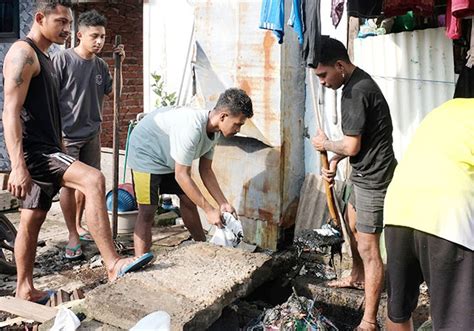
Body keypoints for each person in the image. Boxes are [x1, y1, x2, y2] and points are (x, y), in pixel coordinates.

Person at [2, 0, 152, 304]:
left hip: (47, 147)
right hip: (37, 152)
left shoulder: (43, 56)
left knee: (31, 221)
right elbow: (10, 111)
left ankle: (24, 288)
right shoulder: (23, 53)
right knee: (94, 180)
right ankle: (113, 264)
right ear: (40, 18)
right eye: (61, 22)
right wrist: (18, 165)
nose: (67, 29)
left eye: (70, 24)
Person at [311, 36, 397, 330]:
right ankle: (357, 276)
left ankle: (370, 320)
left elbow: (352, 145)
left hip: (374, 178)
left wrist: (326, 145)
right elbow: (356, 144)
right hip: (361, 173)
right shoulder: (353, 85)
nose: (322, 82)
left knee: (370, 247)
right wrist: (334, 161)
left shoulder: (355, 93)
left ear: (339, 65)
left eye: (323, 75)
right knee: (351, 225)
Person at [127, 88, 253, 256]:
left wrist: (222, 203)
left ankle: (202, 246)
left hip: (169, 156)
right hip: (146, 153)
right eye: (238, 124)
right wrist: (209, 210)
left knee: (188, 200)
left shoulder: (214, 131)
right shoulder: (192, 127)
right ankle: (140, 261)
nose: (238, 129)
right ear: (223, 116)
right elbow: (181, 175)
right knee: (148, 211)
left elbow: (206, 170)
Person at [384, 98, 474, 331]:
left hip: (398, 206)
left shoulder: (446, 109)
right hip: (446, 213)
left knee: (398, 309)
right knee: (456, 322)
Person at [52, 9, 123, 260]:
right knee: (69, 187)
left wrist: (120, 65)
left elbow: (114, 93)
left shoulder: (102, 65)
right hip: (67, 136)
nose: (99, 41)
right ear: (80, 35)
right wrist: (56, 135)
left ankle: (81, 225)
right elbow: (50, 99)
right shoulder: (62, 60)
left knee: (88, 186)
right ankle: (72, 233)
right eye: (94, 36)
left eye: (103, 37)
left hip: (92, 133)